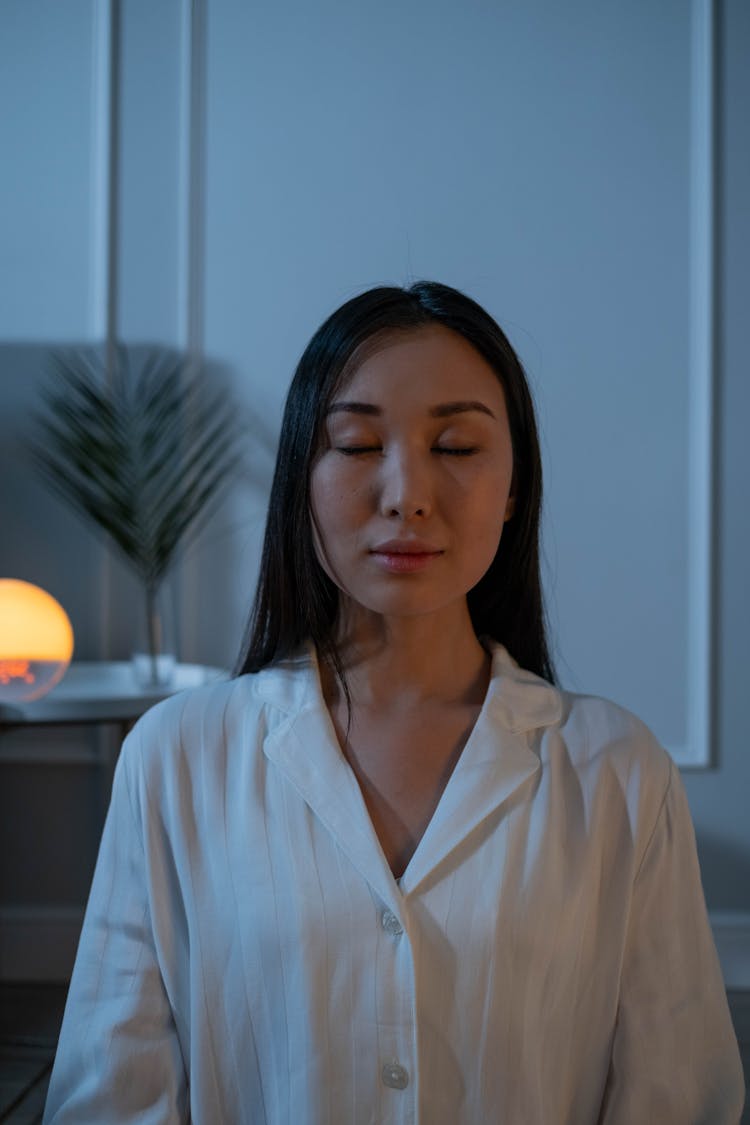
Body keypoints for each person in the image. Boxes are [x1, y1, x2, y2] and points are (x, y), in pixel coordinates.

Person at [44, 282, 744, 1123]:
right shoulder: (178, 757)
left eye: (454, 445)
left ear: (515, 485)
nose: (408, 493)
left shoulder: (618, 770)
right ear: (301, 478)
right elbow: (113, 1093)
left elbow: (677, 1093)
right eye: (357, 441)